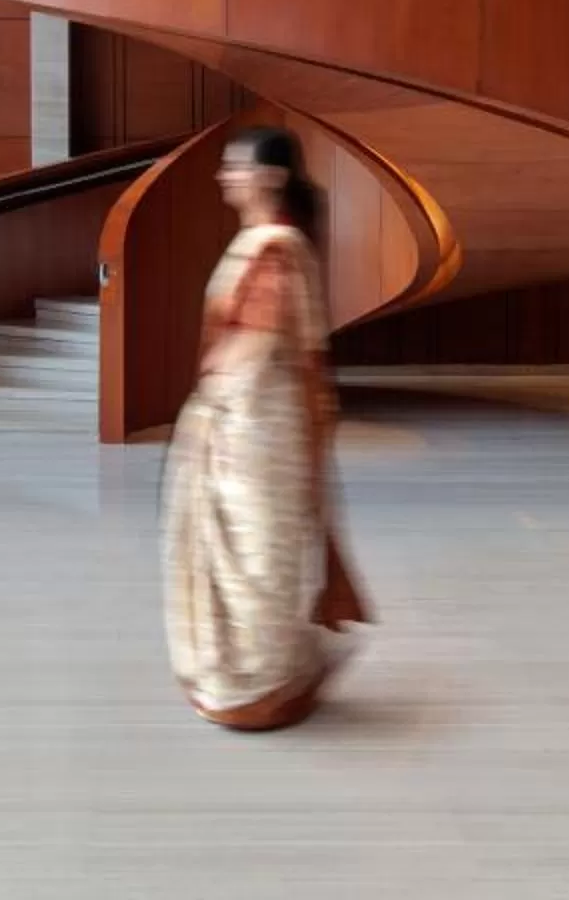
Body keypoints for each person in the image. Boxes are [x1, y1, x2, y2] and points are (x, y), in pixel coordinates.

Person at [161, 125, 372, 730]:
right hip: (237, 424)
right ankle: (240, 683)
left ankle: (262, 687)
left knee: (257, 559)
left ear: (271, 177)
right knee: (234, 556)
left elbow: (265, 345)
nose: (223, 175)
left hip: (260, 432)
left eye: (236, 166)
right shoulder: (258, 242)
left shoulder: (275, 246)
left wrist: (218, 396)